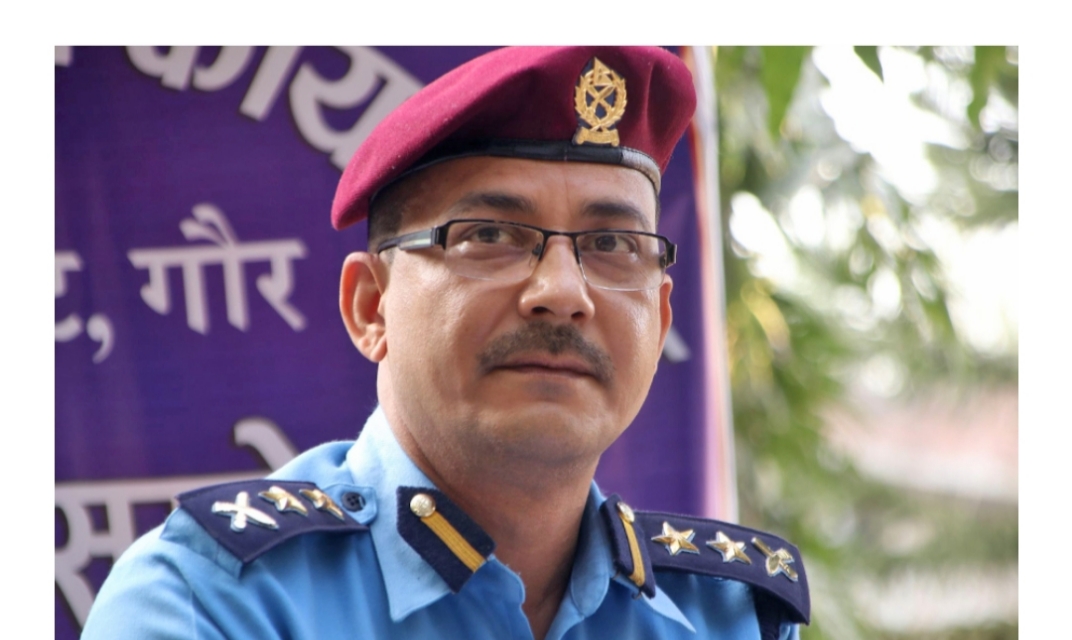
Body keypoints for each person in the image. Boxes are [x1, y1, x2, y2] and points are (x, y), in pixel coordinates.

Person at [82, 46, 810, 640]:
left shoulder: (726, 618)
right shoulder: (211, 601)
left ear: (662, 318)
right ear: (371, 307)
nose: (563, 291)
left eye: (613, 244)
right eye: (490, 234)